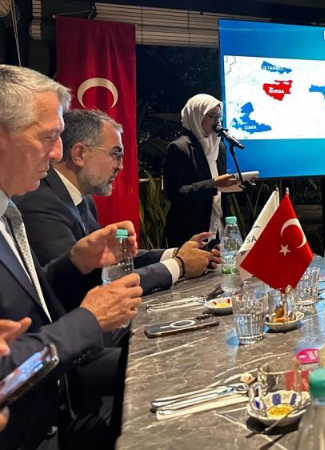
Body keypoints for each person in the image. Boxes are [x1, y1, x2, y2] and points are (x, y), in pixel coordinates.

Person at [0, 64, 142, 449]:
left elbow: (30, 309)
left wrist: (73, 264)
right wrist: (89, 320)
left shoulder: (9, 211)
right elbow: (7, 368)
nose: (57, 153)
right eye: (48, 137)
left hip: (57, 408)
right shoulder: (31, 204)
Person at [15, 109, 220, 295]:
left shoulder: (80, 198)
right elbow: (82, 286)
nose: (120, 166)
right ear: (79, 154)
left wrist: (176, 253)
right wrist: (179, 265)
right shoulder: (40, 203)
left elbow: (110, 259)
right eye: (115, 154)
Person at [163, 94, 238, 247]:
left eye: (219, 116)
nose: (217, 121)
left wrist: (237, 183)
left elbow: (220, 189)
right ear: (197, 115)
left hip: (219, 227)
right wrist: (214, 184)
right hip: (190, 231)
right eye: (212, 116)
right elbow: (175, 193)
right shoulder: (179, 148)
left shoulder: (220, 147)